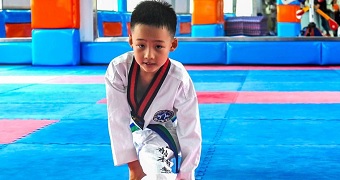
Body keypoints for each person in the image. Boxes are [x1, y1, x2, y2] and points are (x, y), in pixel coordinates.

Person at [104, 1, 202, 180]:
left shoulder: (179, 78)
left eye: (158, 46)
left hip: (162, 132)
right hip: (132, 130)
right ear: (131, 40)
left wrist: (187, 173)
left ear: (172, 45)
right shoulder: (118, 69)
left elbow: (190, 127)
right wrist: (133, 166)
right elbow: (117, 118)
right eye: (141, 45)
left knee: (156, 173)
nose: (149, 55)